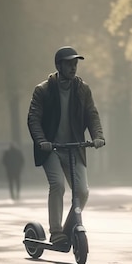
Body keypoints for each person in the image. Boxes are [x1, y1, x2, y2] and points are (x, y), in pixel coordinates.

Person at [27, 46, 105, 244]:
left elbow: (91, 114)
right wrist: (42, 141)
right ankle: (55, 232)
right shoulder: (43, 90)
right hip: (51, 148)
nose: (73, 67)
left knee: (82, 191)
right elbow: (34, 119)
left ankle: (69, 228)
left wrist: (98, 136)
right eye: (69, 63)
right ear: (58, 65)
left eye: (75, 63)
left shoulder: (82, 89)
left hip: (74, 148)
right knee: (58, 185)